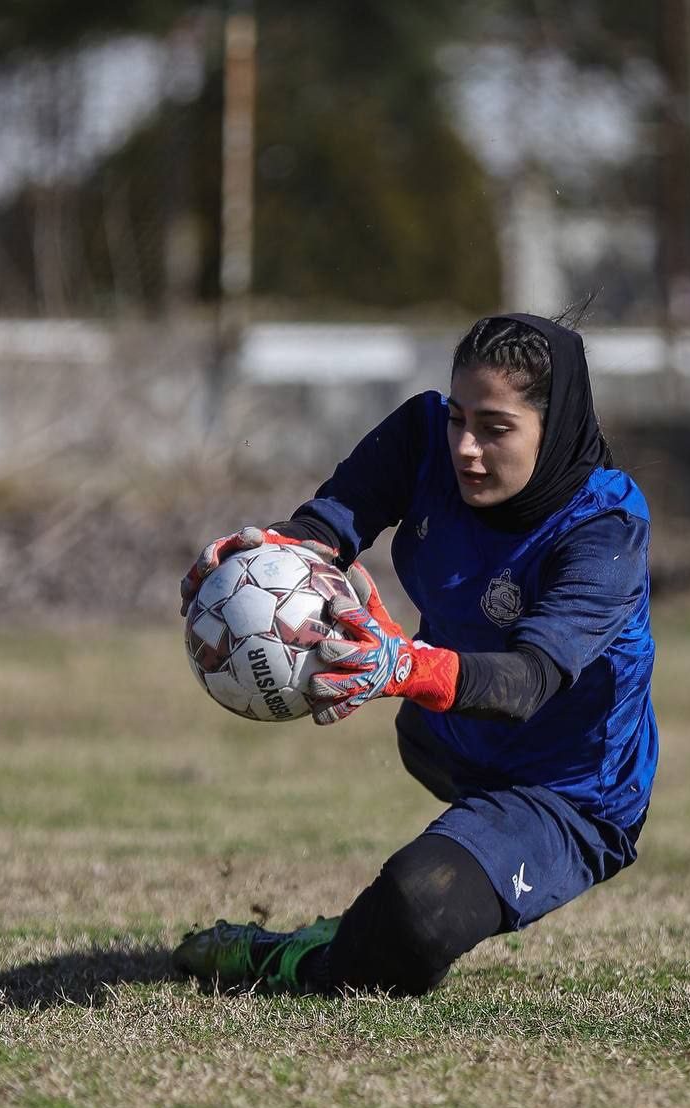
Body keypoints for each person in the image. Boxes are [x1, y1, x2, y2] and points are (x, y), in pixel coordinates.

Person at [173, 311, 657, 997]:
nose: (466, 447)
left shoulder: (605, 533)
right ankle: (375, 923)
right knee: (417, 897)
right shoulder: (423, 437)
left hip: (569, 793)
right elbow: (328, 524)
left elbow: (528, 682)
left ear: (554, 431)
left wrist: (404, 665)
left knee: (420, 907)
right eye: (460, 418)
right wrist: (268, 558)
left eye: (496, 428)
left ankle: (291, 957)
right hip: (443, 740)